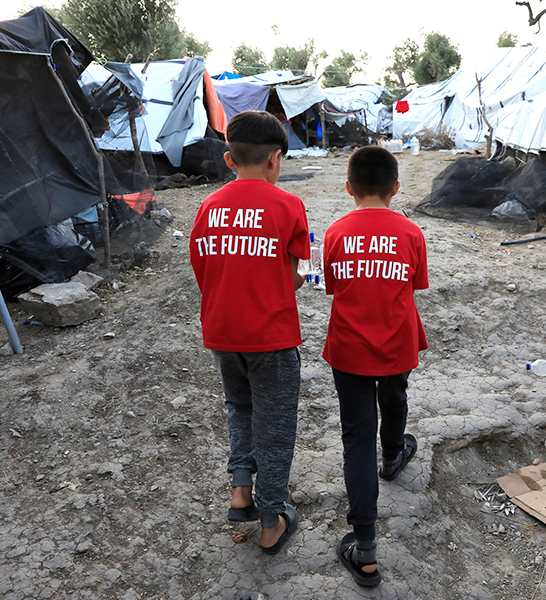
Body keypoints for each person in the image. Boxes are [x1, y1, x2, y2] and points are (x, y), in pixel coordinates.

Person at [189, 110, 310, 555]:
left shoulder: (208, 206)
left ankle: (241, 487)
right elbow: (297, 276)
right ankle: (271, 518)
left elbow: (204, 270)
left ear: (228, 158)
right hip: (272, 337)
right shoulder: (289, 206)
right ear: (276, 160)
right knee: (275, 425)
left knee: (239, 405)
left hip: (222, 333)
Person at [321, 145, 429, 586]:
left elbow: (332, 287)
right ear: (396, 189)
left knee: (355, 439)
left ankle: (364, 547)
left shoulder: (334, 233)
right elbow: (414, 284)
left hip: (349, 348)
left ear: (348, 188)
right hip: (397, 341)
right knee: (396, 395)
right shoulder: (410, 233)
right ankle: (394, 455)